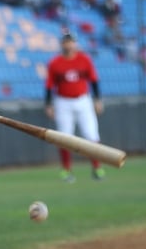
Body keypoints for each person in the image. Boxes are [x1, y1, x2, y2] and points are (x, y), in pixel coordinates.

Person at [45, 33, 105, 182]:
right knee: (64, 138)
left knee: (91, 135)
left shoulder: (84, 59)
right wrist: (48, 104)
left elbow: (94, 80)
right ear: (62, 44)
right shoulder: (55, 62)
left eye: (71, 42)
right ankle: (66, 171)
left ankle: (97, 168)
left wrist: (97, 100)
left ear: (75, 44)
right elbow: (49, 85)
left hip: (83, 100)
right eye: (66, 42)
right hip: (63, 101)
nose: (68, 45)